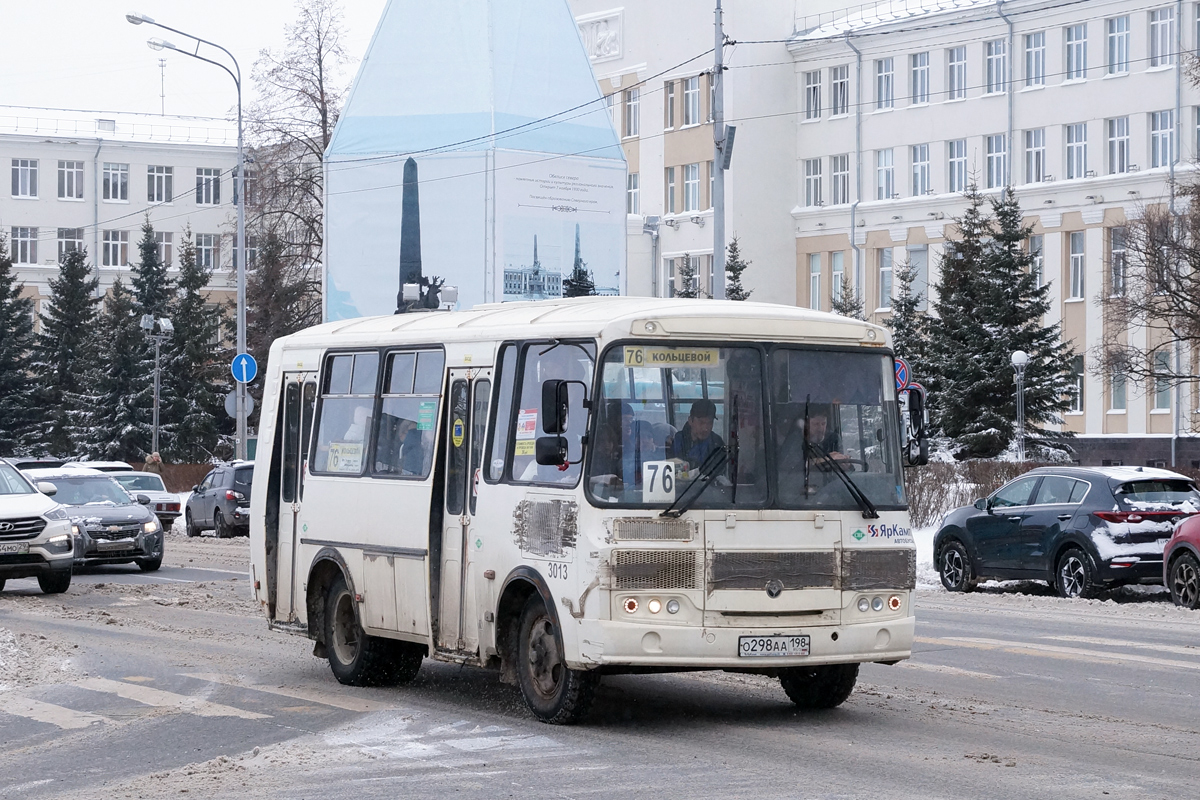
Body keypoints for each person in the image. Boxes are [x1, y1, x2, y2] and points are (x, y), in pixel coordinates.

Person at [672, 399, 725, 469]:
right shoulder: (678, 439)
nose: (705, 428)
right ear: (690, 420)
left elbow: (717, 471)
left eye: (710, 423)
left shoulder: (717, 443)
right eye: (701, 423)